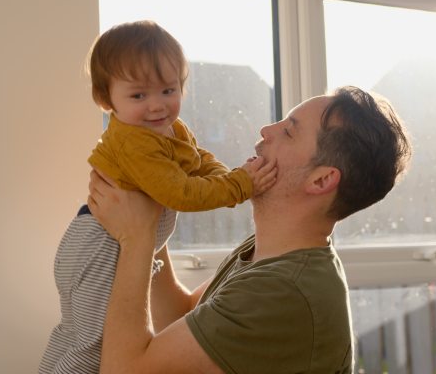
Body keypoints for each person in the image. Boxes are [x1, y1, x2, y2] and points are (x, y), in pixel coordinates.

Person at [88, 85, 412, 373]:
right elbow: (181, 314)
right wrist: (152, 216)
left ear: (322, 180)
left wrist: (136, 240)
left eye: (288, 131)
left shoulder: (285, 292)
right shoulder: (267, 254)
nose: (266, 129)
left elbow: (123, 369)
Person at [38, 20, 276, 374]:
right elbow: (179, 192)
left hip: (107, 243)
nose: (157, 106)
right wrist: (241, 184)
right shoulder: (136, 141)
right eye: (138, 95)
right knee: (94, 344)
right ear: (106, 100)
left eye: (168, 90)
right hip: (100, 246)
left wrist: (227, 176)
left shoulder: (169, 129)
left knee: (77, 335)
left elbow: (198, 161)